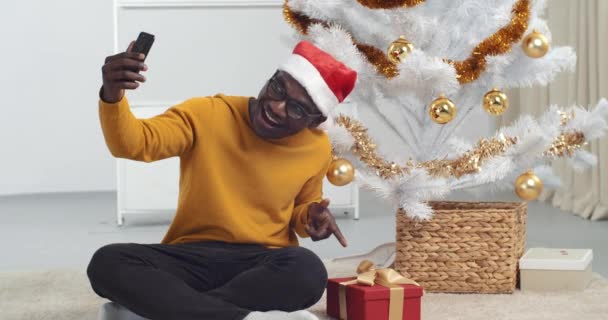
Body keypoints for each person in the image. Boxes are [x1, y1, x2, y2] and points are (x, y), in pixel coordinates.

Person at [86, 39, 358, 320]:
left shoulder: (316, 147)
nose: (277, 107)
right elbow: (134, 143)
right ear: (270, 79)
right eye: (278, 88)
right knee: (107, 263)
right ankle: (242, 317)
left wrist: (310, 216)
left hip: (262, 260)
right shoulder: (208, 114)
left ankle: (168, 310)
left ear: (314, 121)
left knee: (308, 270)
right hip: (191, 255)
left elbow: (301, 209)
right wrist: (112, 94)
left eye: (297, 109)